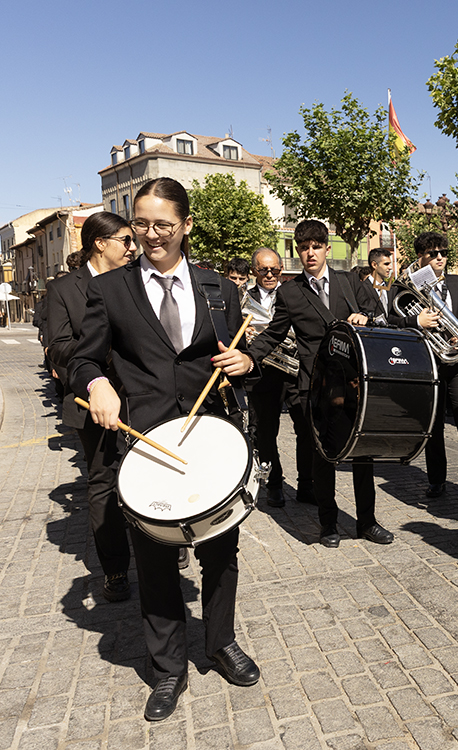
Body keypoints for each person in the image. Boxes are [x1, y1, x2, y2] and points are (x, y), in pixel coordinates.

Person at [68, 177, 259, 721]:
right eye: (141, 224)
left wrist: (246, 365)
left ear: (186, 225)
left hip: (209, 439)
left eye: (163, 225)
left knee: (221, 552)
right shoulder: (109, 290)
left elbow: (233, 356)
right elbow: (83, 361)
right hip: (146, 444)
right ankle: (167, 667)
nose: (150, 235)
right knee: (154, 561)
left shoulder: (218, 288)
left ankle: (219, 642)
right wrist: (96, 384)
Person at [248, 219, 394, 549]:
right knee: (322, 456)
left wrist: (366, 317)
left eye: (316, 246)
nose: (310, 252)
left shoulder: (350, 283)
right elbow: (273, 333)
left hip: (356, 382)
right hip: (313, 385)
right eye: (303, 247)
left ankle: (367, 521)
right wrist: (248, 357)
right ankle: (328, 523)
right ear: (297, 251)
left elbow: (379, 314)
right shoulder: (289, 291)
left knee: (361, 455)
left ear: (327, 248)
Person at [47, 212, 135, 602]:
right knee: (103, 483)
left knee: (151, 472)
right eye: (126, 241)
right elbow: (58, 346)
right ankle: (115, 569)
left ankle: (168, 544)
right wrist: (100, 353)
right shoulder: (64, 289)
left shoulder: (136, 281)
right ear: (100, 243)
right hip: (91, 401)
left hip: (140, 395)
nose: (133, 248)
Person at [388, 232, 458, 499]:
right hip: (428, 364)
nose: (440, 258)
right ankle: (437, 480)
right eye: (433, 253)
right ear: (421, 257)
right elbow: (391, 320)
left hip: (457, 363)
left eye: (443, 253)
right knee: (433, 426)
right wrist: (416, 322)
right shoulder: (405, 287)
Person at [245, 247, 295, 507]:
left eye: (274, 270)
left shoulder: (292, 293)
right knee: (266, 433)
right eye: (263, 270)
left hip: (293, 371)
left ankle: (308, 485)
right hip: (263, 372)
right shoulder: (243, 298)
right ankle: (274, 484)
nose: (269, 274)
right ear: (254, 270)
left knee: (306, 430)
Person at [367, 247, 393, 317]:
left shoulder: (392, 288)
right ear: (374, 265)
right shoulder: (362, 288)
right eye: (386, 264)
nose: (390, 267)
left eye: (390, 264)